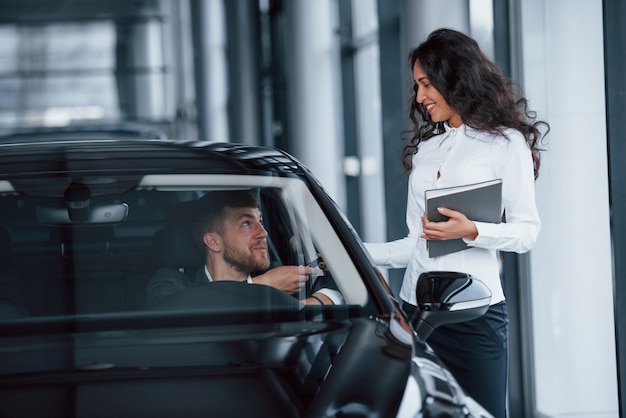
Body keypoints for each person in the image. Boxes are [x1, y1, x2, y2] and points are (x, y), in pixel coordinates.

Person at [364, 28, 549, 417]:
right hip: (416, 313)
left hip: (475, 318)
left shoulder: (505, 144)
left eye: (427, 84)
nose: (420, 98)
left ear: (455, 77)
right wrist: (354, 252)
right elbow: (414, 243)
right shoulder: (428, 151)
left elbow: (526, 232)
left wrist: (473, 231)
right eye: (417, 86)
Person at [146, 190, 341, 308]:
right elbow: (168, 311)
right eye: (246, 223)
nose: (263, 233)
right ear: (213, 242)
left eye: (261, 221)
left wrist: (334, 280)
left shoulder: (283, 276)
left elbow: (350, 292)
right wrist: (261, 287)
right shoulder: (173, 282)